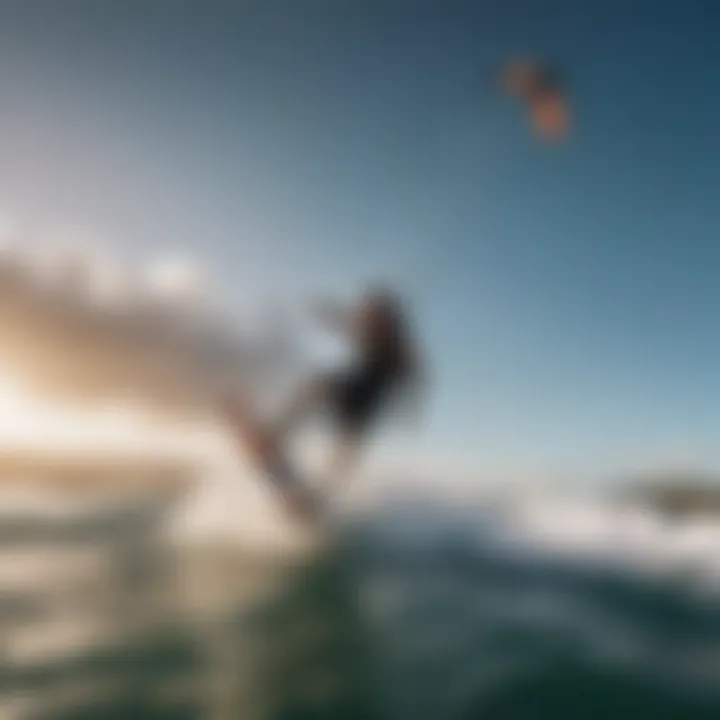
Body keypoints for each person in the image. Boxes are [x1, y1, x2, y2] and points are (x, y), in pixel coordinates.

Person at [222, 286, 424, 519]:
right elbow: (348, 324)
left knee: (344, 450)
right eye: (371, 316)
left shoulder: (397, 347)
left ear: (388, 319)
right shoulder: (370, 332)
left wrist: (413, 403)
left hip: (362, 406)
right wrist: (328, 314)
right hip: (351, 393)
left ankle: (315, 498)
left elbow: (412, 370)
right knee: (319, 386)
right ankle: (275, 434)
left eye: (376, 317)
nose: (370, 322)